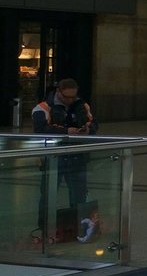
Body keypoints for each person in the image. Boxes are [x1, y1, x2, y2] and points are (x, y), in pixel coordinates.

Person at [32, 78, 98, 240]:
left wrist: (88, 130)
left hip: (78, 155)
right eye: (66, 97)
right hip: (53, 157)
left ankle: (79, 226)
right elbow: (41, 129)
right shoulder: (43, 108)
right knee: (48, 193)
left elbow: (94, 123)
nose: (70, 100)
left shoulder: (82, 105)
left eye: (73, 97)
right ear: (58, 92)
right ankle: (44, 227)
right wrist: (66, 131)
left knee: (79, 193)